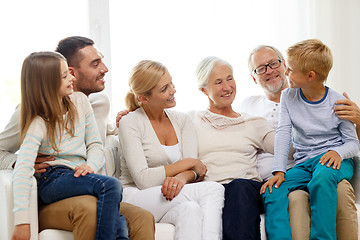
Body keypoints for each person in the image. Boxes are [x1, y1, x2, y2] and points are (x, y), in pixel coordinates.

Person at [0, 36, 155, 240]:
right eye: (95, 63)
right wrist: (18, 162)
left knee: (138, 218)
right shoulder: (32, 117)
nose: (105, 69)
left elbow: (98, 140)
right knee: (103, 195)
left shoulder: (88, 103)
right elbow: (18, 165)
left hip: (83, 181)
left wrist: (126, 122)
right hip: (55, 185)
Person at [240, 44, 359, 239]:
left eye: (290, 69)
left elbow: (353, 143)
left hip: (334, 161)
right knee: (273, 189)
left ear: (310, 76)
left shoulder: (337, 102)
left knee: (322, 179)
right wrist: (278, 171)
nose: (286, 72)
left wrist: (337, 152)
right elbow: (283, 133)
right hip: (304, 164)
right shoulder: (288, 96)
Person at [11, 52, 128, 240]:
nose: (72, 78)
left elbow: (95, 144)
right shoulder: (38, 122)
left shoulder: (80, 101)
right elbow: (22, 169)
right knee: (111, 185)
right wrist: (22, 221)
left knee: (120, 223)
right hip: (53, 179)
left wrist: (90, 165)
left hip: (77, 174)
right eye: (65, 76)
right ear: (47, 84)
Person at [117, 60, 225, 240]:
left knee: (191, 210)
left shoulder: (183, 120)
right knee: (213, 189)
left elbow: (193, 172)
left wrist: (182, 177)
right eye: (164, 89)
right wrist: (190, 163)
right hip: (135, 196)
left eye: (171, 83)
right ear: (144, 98)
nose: (173, 90)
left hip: (167, 196)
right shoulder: (130, 122)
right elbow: (143, 179)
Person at [189, 56, 276, 240]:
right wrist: (125, 118)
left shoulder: (254, 122)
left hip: (246, 190)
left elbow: (288, 148)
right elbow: (156, 130)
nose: (227, 87)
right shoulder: (190, 120)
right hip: (210, 191)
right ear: (204, 90)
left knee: (238, 187)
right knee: (217, 193)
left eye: (230, 78)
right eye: (218, 82)